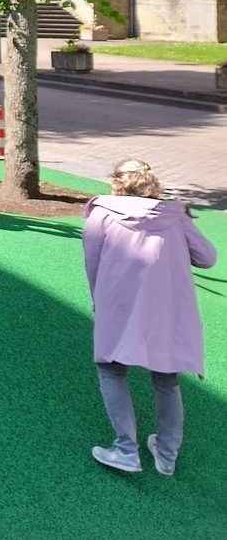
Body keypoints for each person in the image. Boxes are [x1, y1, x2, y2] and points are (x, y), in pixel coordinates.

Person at [84, 159, 217, 475]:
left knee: (111, 370)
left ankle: (126, 450)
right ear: (151, 183)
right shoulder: (175, 216)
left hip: (118, 305)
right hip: (166, 308)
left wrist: (97, 301)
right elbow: (208, 258)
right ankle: (167, 454)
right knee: (166, 376)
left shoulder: (101, 214)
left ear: (116, 182)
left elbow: (92, 263)